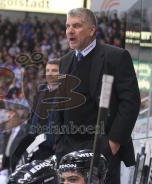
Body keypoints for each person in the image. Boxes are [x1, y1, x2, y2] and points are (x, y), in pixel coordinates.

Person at [55, 8, 140, 184]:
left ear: (92, 30)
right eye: (68, 26)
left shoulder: (116, 57)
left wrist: (113, 143)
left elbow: (130, 103)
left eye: (77, 26)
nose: (70, 31)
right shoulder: (64, 62)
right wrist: (59, 143)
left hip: (101, 148)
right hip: (69, 149)